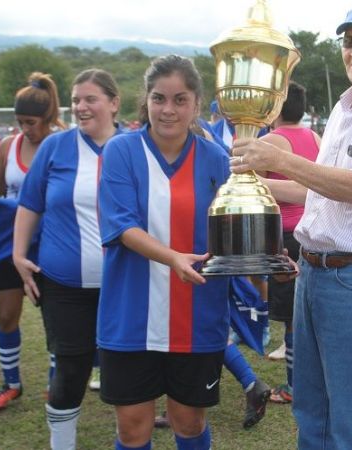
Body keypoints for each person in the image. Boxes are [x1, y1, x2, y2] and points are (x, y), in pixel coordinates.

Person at [231, 1, 352, 447]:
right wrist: (253, 183)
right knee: (312, 413)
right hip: (314, 275)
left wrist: (281, 159)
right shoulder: (344, 108)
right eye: (349, 41)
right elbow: (320, 190)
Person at [98, 55, 230, 450]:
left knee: (188, 422)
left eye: (179, 100)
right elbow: (122, 226)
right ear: (146, 99)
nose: (168, 110)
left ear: (195, 103)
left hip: (197, 314)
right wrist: (173, 257)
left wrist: (267, 256)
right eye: (159, 99)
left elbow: (232, 227)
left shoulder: (216, 161)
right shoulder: (121, 151)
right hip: (130, 315)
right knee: (133, 428)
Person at [13, 68, 121, 449]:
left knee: (124, 369)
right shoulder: (55, 147)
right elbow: (30, 203)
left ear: (113, 103)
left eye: (90, 99)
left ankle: (132, 438)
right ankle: (62, 443)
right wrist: (18, 254)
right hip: (63, 284)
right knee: (71, 368)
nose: (81, 106)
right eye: (76, 100)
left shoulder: (135, 146)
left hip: (123, 283)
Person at [0, 72, 64, 410]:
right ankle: (11, 383)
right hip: (10, 246)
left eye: (31, 122)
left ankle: (55, 384)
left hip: (51, 247)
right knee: (6, 316)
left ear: (47, 118)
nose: (25, 129)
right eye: (19, 122)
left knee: (55, 321)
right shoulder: (8, 146)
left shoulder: (63, 144)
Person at [258, 81, 321, 404]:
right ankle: (306, 381)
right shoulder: (315, 137)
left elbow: (248, 188)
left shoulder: (269, 141)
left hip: (283, 236)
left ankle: (295, 387)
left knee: (293, 318)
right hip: (311, 233)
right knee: (304, 314)